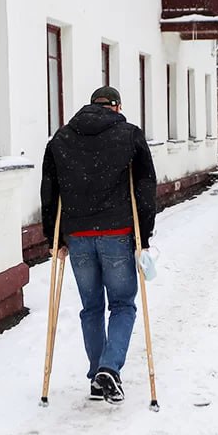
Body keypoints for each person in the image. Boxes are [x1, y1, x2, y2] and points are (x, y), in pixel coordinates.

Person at [40, 86, 157, 405]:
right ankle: (109, 369)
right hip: (117, 232)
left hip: (77, 236)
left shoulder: (62, 138)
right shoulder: (129, 135)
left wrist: (53, 237)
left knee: (91, 306)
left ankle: (97, 376)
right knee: (122, 304)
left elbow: (49, 191)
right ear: (117, 107)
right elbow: (145, 186)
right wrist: (144, 235)